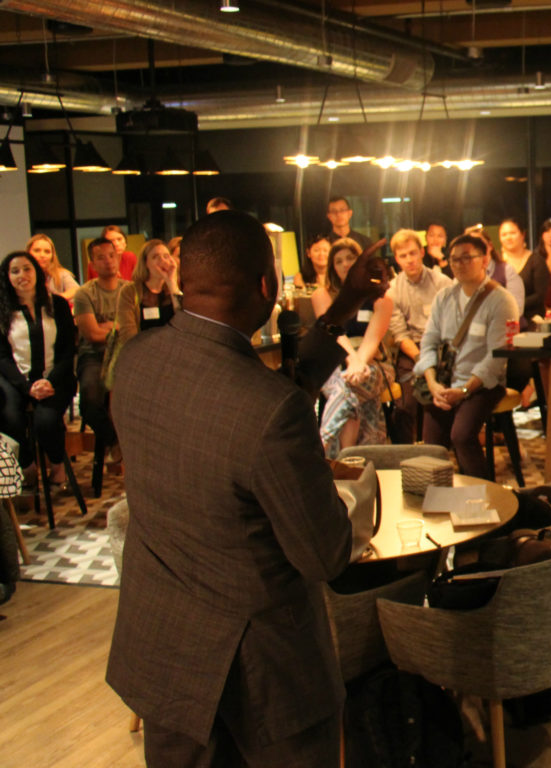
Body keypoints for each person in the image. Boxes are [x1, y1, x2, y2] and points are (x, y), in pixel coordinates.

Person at [106, 209, 368, 768]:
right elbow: (324, 554)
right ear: (268, 286)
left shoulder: (134, 364)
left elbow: (219, 434)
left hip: (164, 647)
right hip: (264, 674)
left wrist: (338, 312)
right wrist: (359, 500)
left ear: (182, 279)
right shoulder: (270, 411)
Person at [416, 234, 518, 479]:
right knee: (431, 445)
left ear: (484, 260)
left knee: (461, 436)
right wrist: (433, 384)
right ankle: (438, 500)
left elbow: (497, 356)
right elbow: (428, 342)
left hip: (482, 385)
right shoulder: (444, 297)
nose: (460, 265)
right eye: (454, 260)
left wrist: (464, 391)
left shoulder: (501, 300)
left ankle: (485, 496)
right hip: (445, 382)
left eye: (467, 258)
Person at [311, 238, 394, 457]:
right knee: (348, 390)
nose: (345, 264)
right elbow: (334, 334)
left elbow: (372, 339)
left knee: (350, 385)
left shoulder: (382, 298)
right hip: (334, 364)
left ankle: (322, 447)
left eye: (350, 258)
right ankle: (358, 460)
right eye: (338, 261)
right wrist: (352, 361)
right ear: (332, 267)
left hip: (373, 364)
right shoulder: (322, 295)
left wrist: (359, 363)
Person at [0, 251, 76, 486]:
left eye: (27, 268)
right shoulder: (3, 311)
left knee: (46, 422)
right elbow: (2, 357)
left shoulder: (58, 305)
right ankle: (26, 465)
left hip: (54, 377)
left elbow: (67, 351)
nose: (22, 275)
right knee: (8, 415)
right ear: (7, 278)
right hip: (17, 380)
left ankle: (57, 464)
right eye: (15, 271)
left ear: (37, 272)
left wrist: (48, 381)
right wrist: (27, 387)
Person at [385, 229, 452, 444]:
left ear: (422, 252)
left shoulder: (442, 283)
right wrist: (421, 359)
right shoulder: (392, 290)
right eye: (403, 256)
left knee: (440, 399)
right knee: (404, 406)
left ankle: (439, 452)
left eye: (413, 253)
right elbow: (399, 334)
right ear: (396, 259)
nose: (409, 260)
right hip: (411, 350)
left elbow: (453, 325)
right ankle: (403, 458)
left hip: (442, 348)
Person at [73, 237, 128, 471]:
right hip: (94, 355)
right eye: (101, 257)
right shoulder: (85, 293)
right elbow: (93, 334)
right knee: (91, 399)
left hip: (127, 353)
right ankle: (114, 442)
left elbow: (137, 327)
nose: (108, 261)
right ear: (92, 263)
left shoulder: (130, 289)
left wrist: (109, 327)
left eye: (111, 255)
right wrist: (119, 326)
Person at [108, 239, 181, 372]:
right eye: (155, 257)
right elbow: (128, 336)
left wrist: (171, 284)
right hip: (141, 358)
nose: (162, 261)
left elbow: (185, 323)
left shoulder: (177, 288)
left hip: (174, 355)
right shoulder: (130, 291)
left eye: (166, 256)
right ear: (145, 263)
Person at [499, 218, 549, 327]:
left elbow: (540, 295)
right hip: (501, 322)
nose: (508, 237)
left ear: (523, 234)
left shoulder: (536, 261)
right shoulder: (496, 263)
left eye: (513, 233)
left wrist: (513, 305)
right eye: (504, 234)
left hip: (531, 322)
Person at [27, 234, 78, 303]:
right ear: (28, 253)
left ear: (52, 256)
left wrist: (55, 300)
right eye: (37, 250)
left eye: (47, 252)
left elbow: (76, 290)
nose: (42, 255)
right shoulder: (23, 275)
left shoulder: (61, 274)